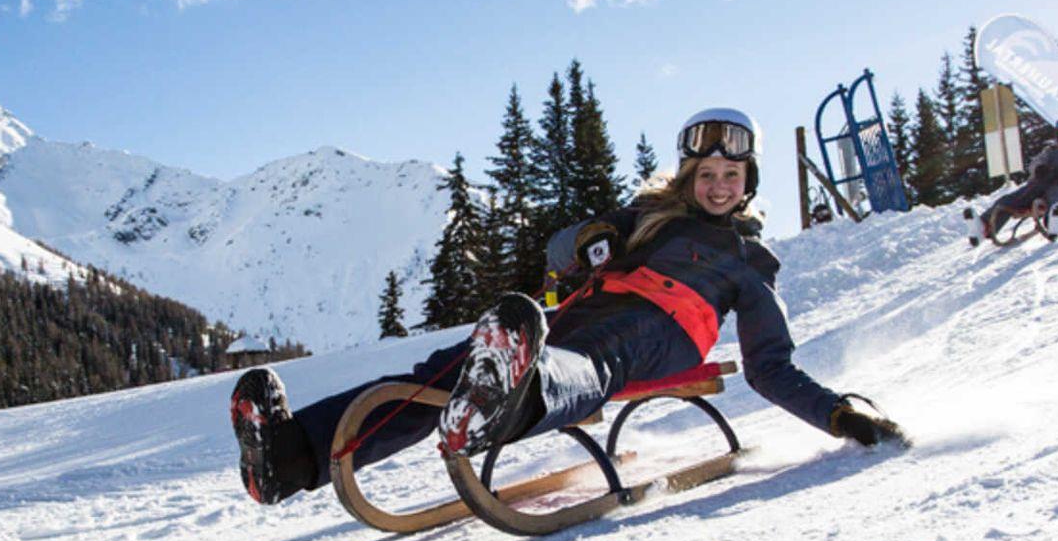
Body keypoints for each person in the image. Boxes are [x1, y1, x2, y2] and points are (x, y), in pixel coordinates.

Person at [230, 106, 905, 506]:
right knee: (441, 370)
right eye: (708, 175)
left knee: (589, 360)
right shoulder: (646, 216)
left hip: (659, 336)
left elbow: (771, 366)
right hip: (577, 314)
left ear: (748, 182)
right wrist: (586, 241)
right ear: (688, 177)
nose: (720, 186)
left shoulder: (753, 263)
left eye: (732, 176)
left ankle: (507, 401)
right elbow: (559, 253)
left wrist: (840, 415)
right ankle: (288, 458)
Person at [978, 115, 1058, 241]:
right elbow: (1036, 163)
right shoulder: (1050, 151)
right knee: (1013, 198)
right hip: (1039, 186)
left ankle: (1056, 219)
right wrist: (1039, 169)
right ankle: (984, 224)